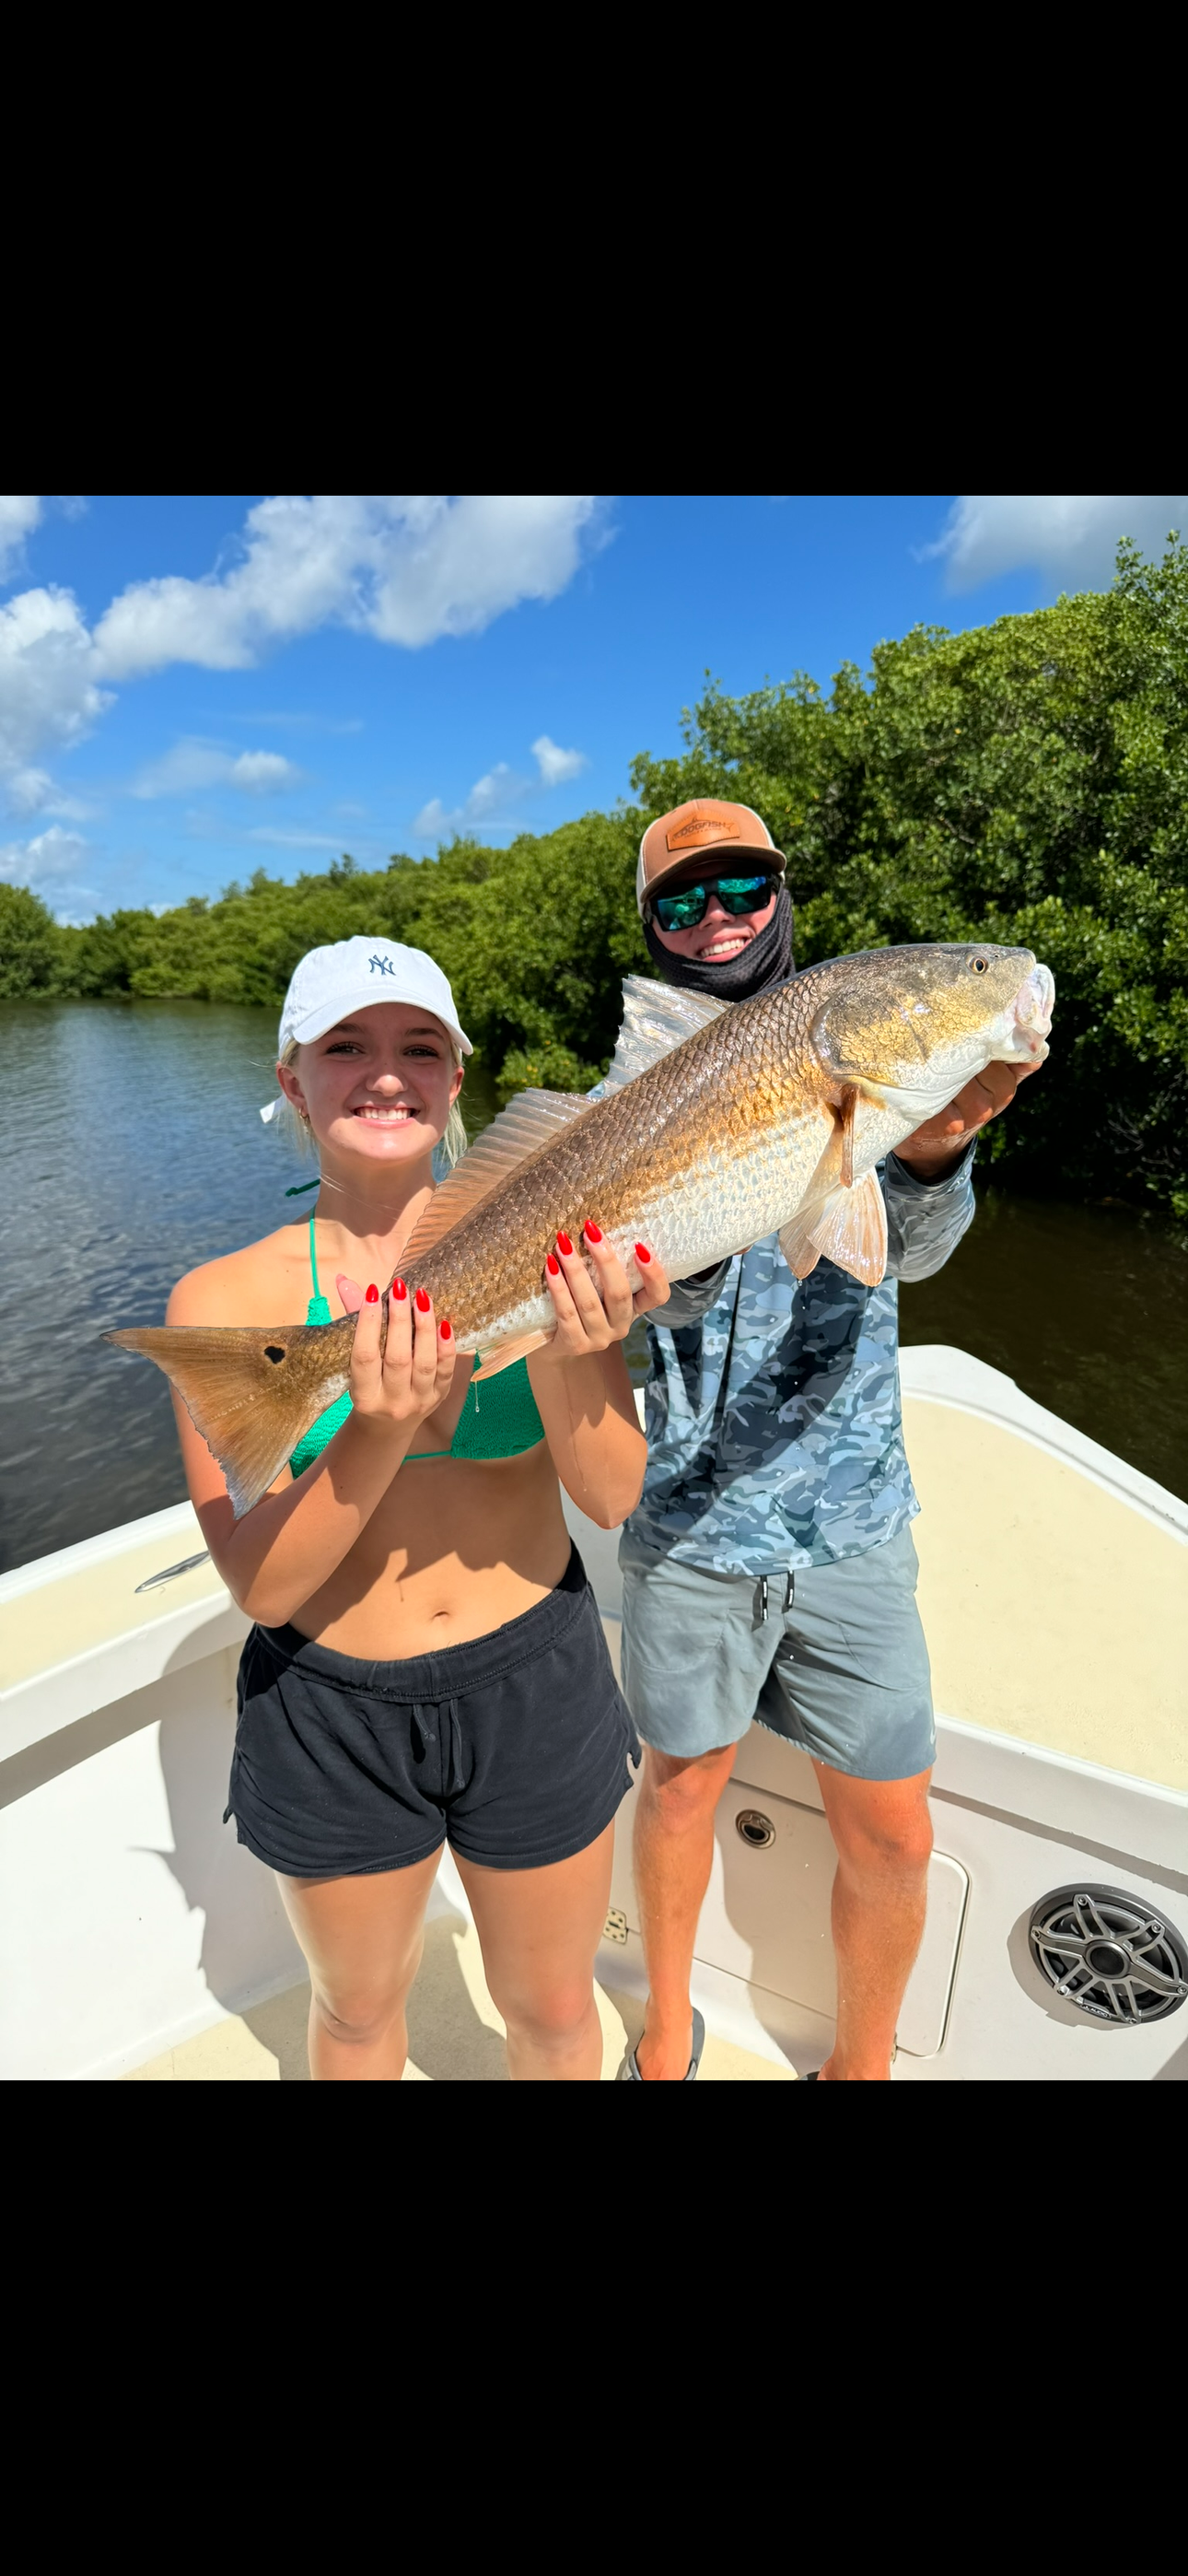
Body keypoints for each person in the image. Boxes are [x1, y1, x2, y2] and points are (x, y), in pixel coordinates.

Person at [167, 935, 670, 2080]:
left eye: (418, 1048)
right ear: (292, 1078)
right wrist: (381, 1419)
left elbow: (611, 1491)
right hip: (330, 1706)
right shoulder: (225, 1302)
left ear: (456, 1081)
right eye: (346, 1046)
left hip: (534, 1678)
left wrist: (571, 1337)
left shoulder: (568, 1236)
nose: (384, 1073)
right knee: (354, 2011)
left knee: (549, 2008)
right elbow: (265, 1586)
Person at [618, 800, 1041, 2080]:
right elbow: (637, 1312)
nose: (717, 918)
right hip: (688, 1517)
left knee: (894, 1830)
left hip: (850, 1519)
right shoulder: (626, 1091)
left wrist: (939, 1144)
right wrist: (661, 1279)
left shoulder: (858, 1038)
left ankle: (860, 2067)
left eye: (739, 885)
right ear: (650, 926)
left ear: (782, 893)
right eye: (680, 901)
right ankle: (664, 2026)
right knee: (679, 1787)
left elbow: (901, 1248)